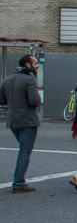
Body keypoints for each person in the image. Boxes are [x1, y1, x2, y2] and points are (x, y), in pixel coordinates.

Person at [1, 54, 41, 193]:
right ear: (28, 65)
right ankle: (18, 183)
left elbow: (2, 100)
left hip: (13, 120)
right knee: (25, 152)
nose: (37, 66)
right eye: (35, 63)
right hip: (28, 121)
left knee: (23, 150)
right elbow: (35, 101)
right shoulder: (30, 80)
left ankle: (19, 181)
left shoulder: (7, 80)